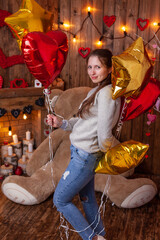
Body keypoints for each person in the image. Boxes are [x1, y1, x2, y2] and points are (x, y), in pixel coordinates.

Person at [47, 49, 121, 240]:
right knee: (86, 199)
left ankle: (93, 238)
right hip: (82, 153)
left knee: (60, 199)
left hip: (86, 156)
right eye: (90, 67)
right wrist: (61, 123)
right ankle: (101, 235)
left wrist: (107, 156)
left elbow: (105, 133)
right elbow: (82, 122)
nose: (92, 71)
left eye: (98, 67)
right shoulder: (96, 90)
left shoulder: (106, 94)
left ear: (110, 68)